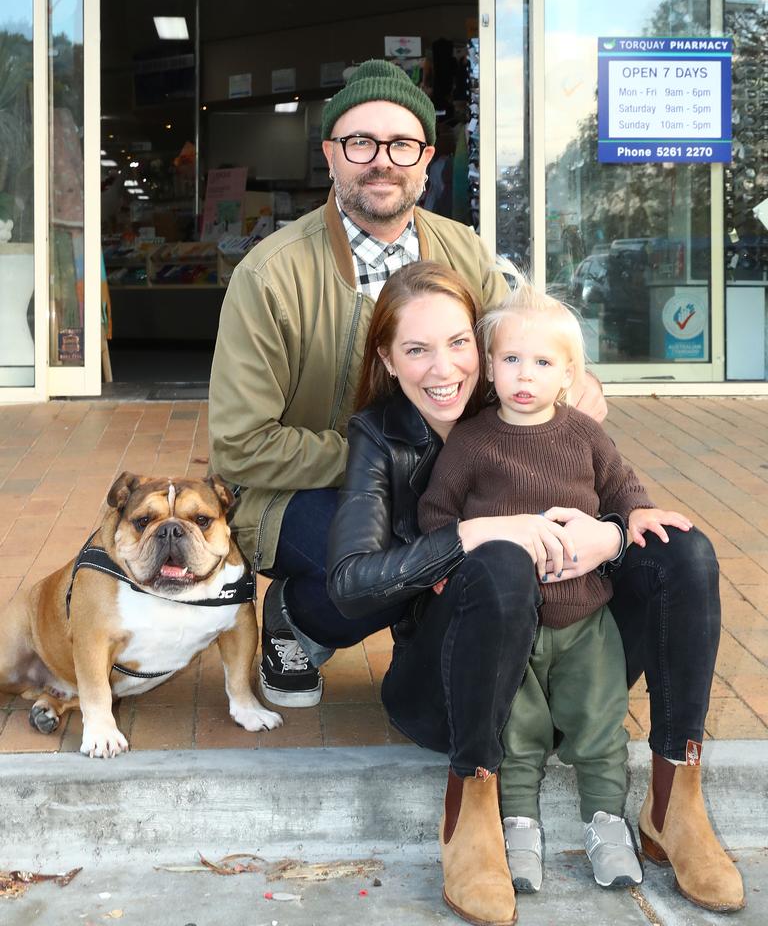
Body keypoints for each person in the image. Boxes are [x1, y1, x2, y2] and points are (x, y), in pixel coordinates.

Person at [325, 262, 744, 922]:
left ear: (482, 348)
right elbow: (349, 584)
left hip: (571, 666)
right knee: (502, 564)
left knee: (682, 551)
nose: (443, 368)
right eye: (416, 349)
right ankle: (470, 812)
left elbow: (606, 476)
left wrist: (611, 535)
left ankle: (674, 800)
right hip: (453, 690)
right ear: (387, 356)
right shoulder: (379, 438)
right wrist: (479, 534)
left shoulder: (533, 400)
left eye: (458, 343)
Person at [208, 58, 606, 710]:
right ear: (331, 154)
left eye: (400, 144)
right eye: (360, 143)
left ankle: (492, 662)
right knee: (409, 552)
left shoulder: (464, 251)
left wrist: (576, 380)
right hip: (302, 495)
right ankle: (300, 617)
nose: (380, 161)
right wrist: (384, 463)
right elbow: (240, 446)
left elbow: (523, 336)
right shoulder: (271, 275)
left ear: (426, 158)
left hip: (448, 473)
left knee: (530, 512)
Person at [416, 279, 690, 894]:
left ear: (568, 374)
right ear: (488, 366)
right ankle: (517, 826)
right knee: (517, 729)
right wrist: (445, 569)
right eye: (511, 359)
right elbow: (438, 512)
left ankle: (606, 822)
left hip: (586, 615)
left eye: (542, 363)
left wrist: (638, 513)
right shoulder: (474, 438)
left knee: (598, 720)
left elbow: (619, 484)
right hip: (513, 624)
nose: (525, 375)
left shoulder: (583, 433)